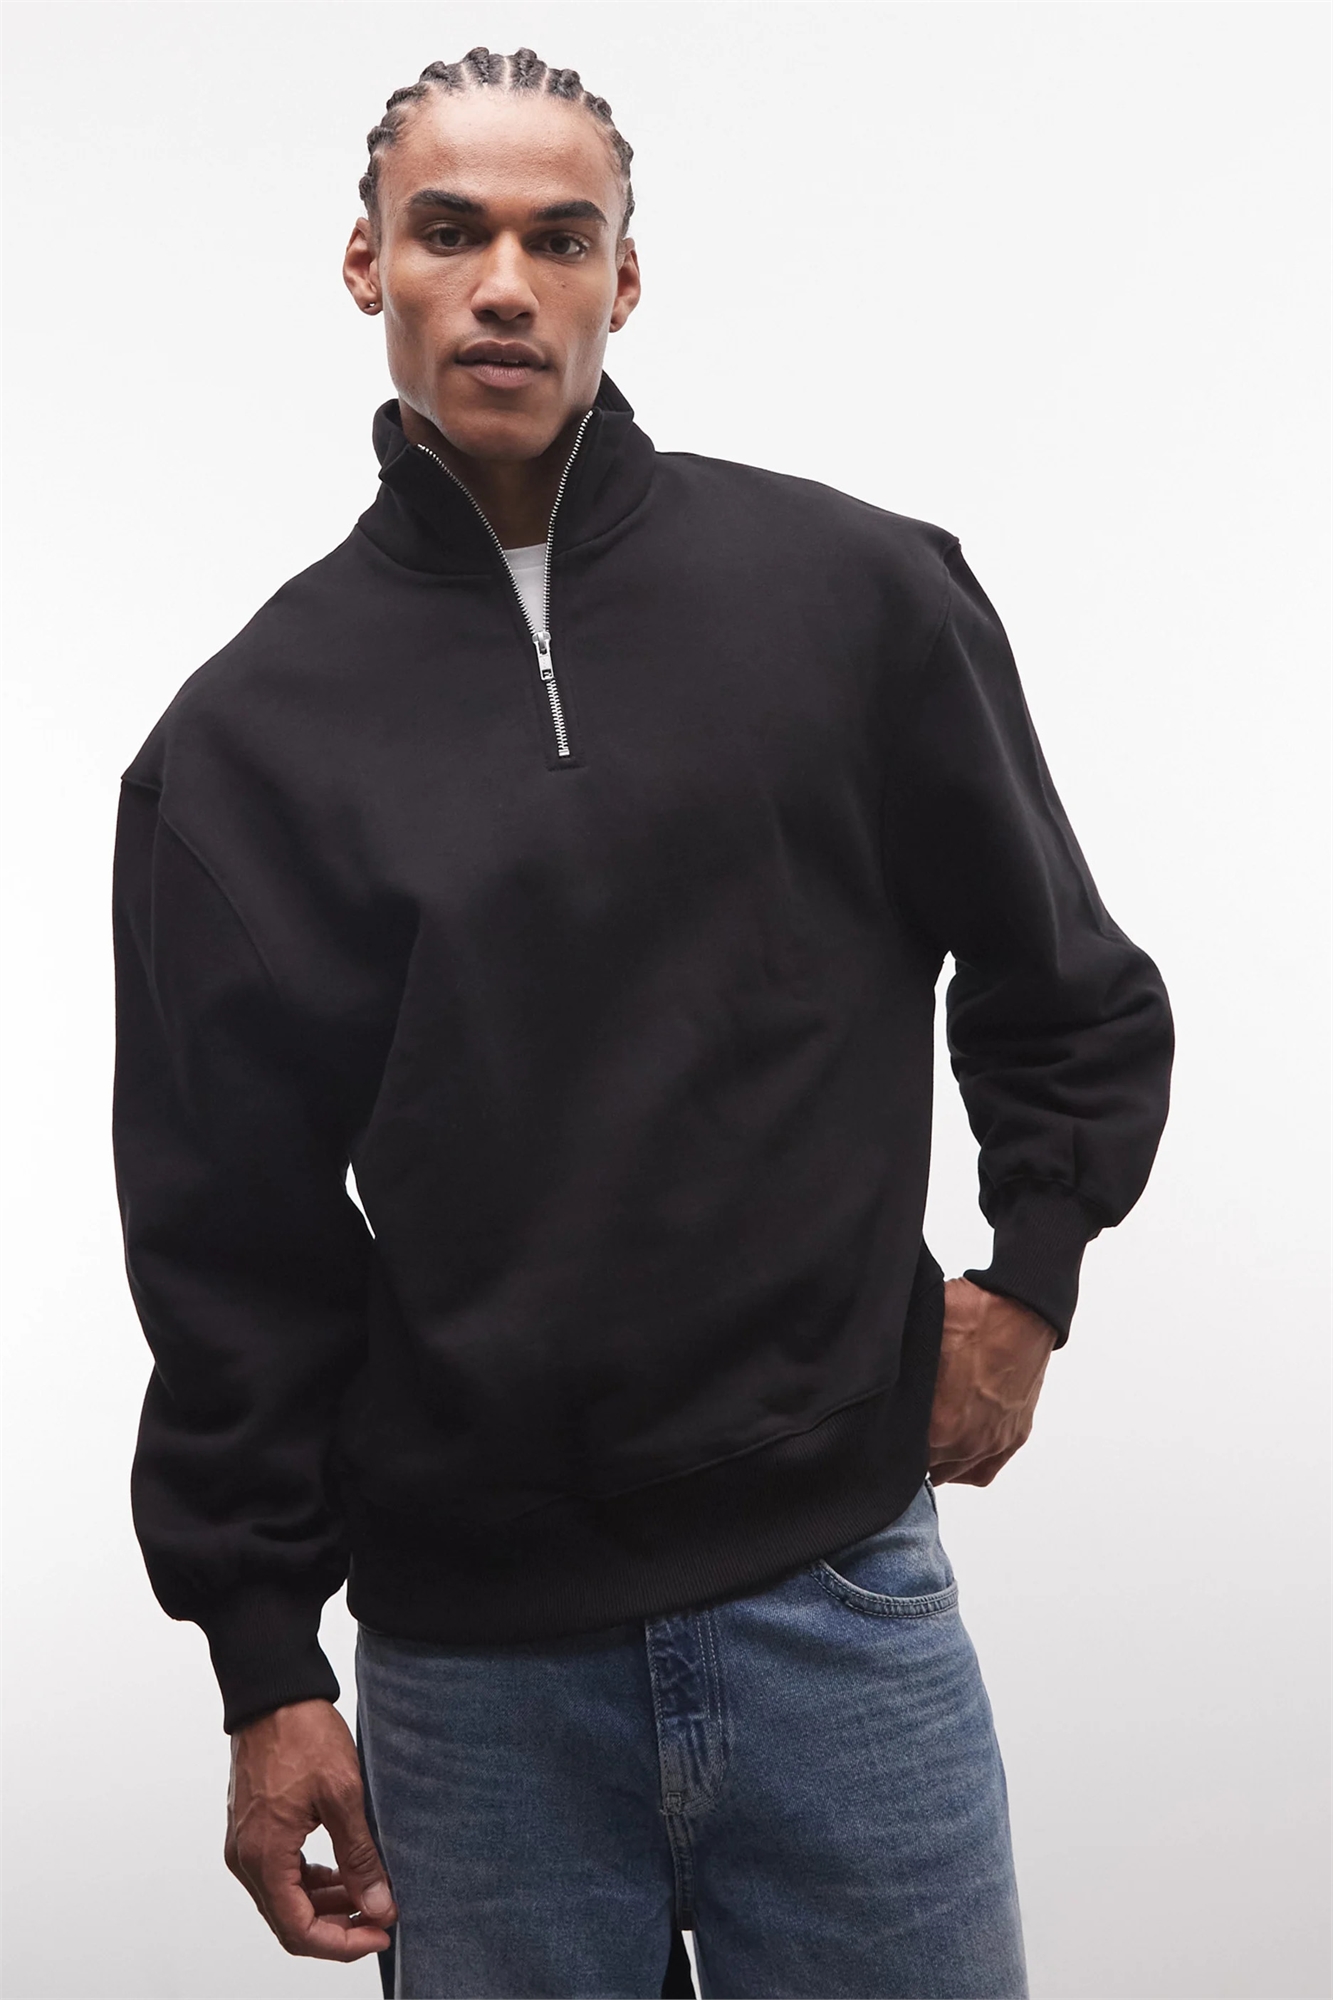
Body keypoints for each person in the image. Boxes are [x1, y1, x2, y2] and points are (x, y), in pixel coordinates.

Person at [110, 44, 1174, 2000]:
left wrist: (1027, 1283)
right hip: (470, 1682)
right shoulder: (246, 743)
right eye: (449, 231)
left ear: (624, 277)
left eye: (557, 236)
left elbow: (1062, 985)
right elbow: (224, 1241)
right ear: (364, 264)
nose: (502, 283)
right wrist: (265, 1662)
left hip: (838, 1612)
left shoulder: (855, 596)